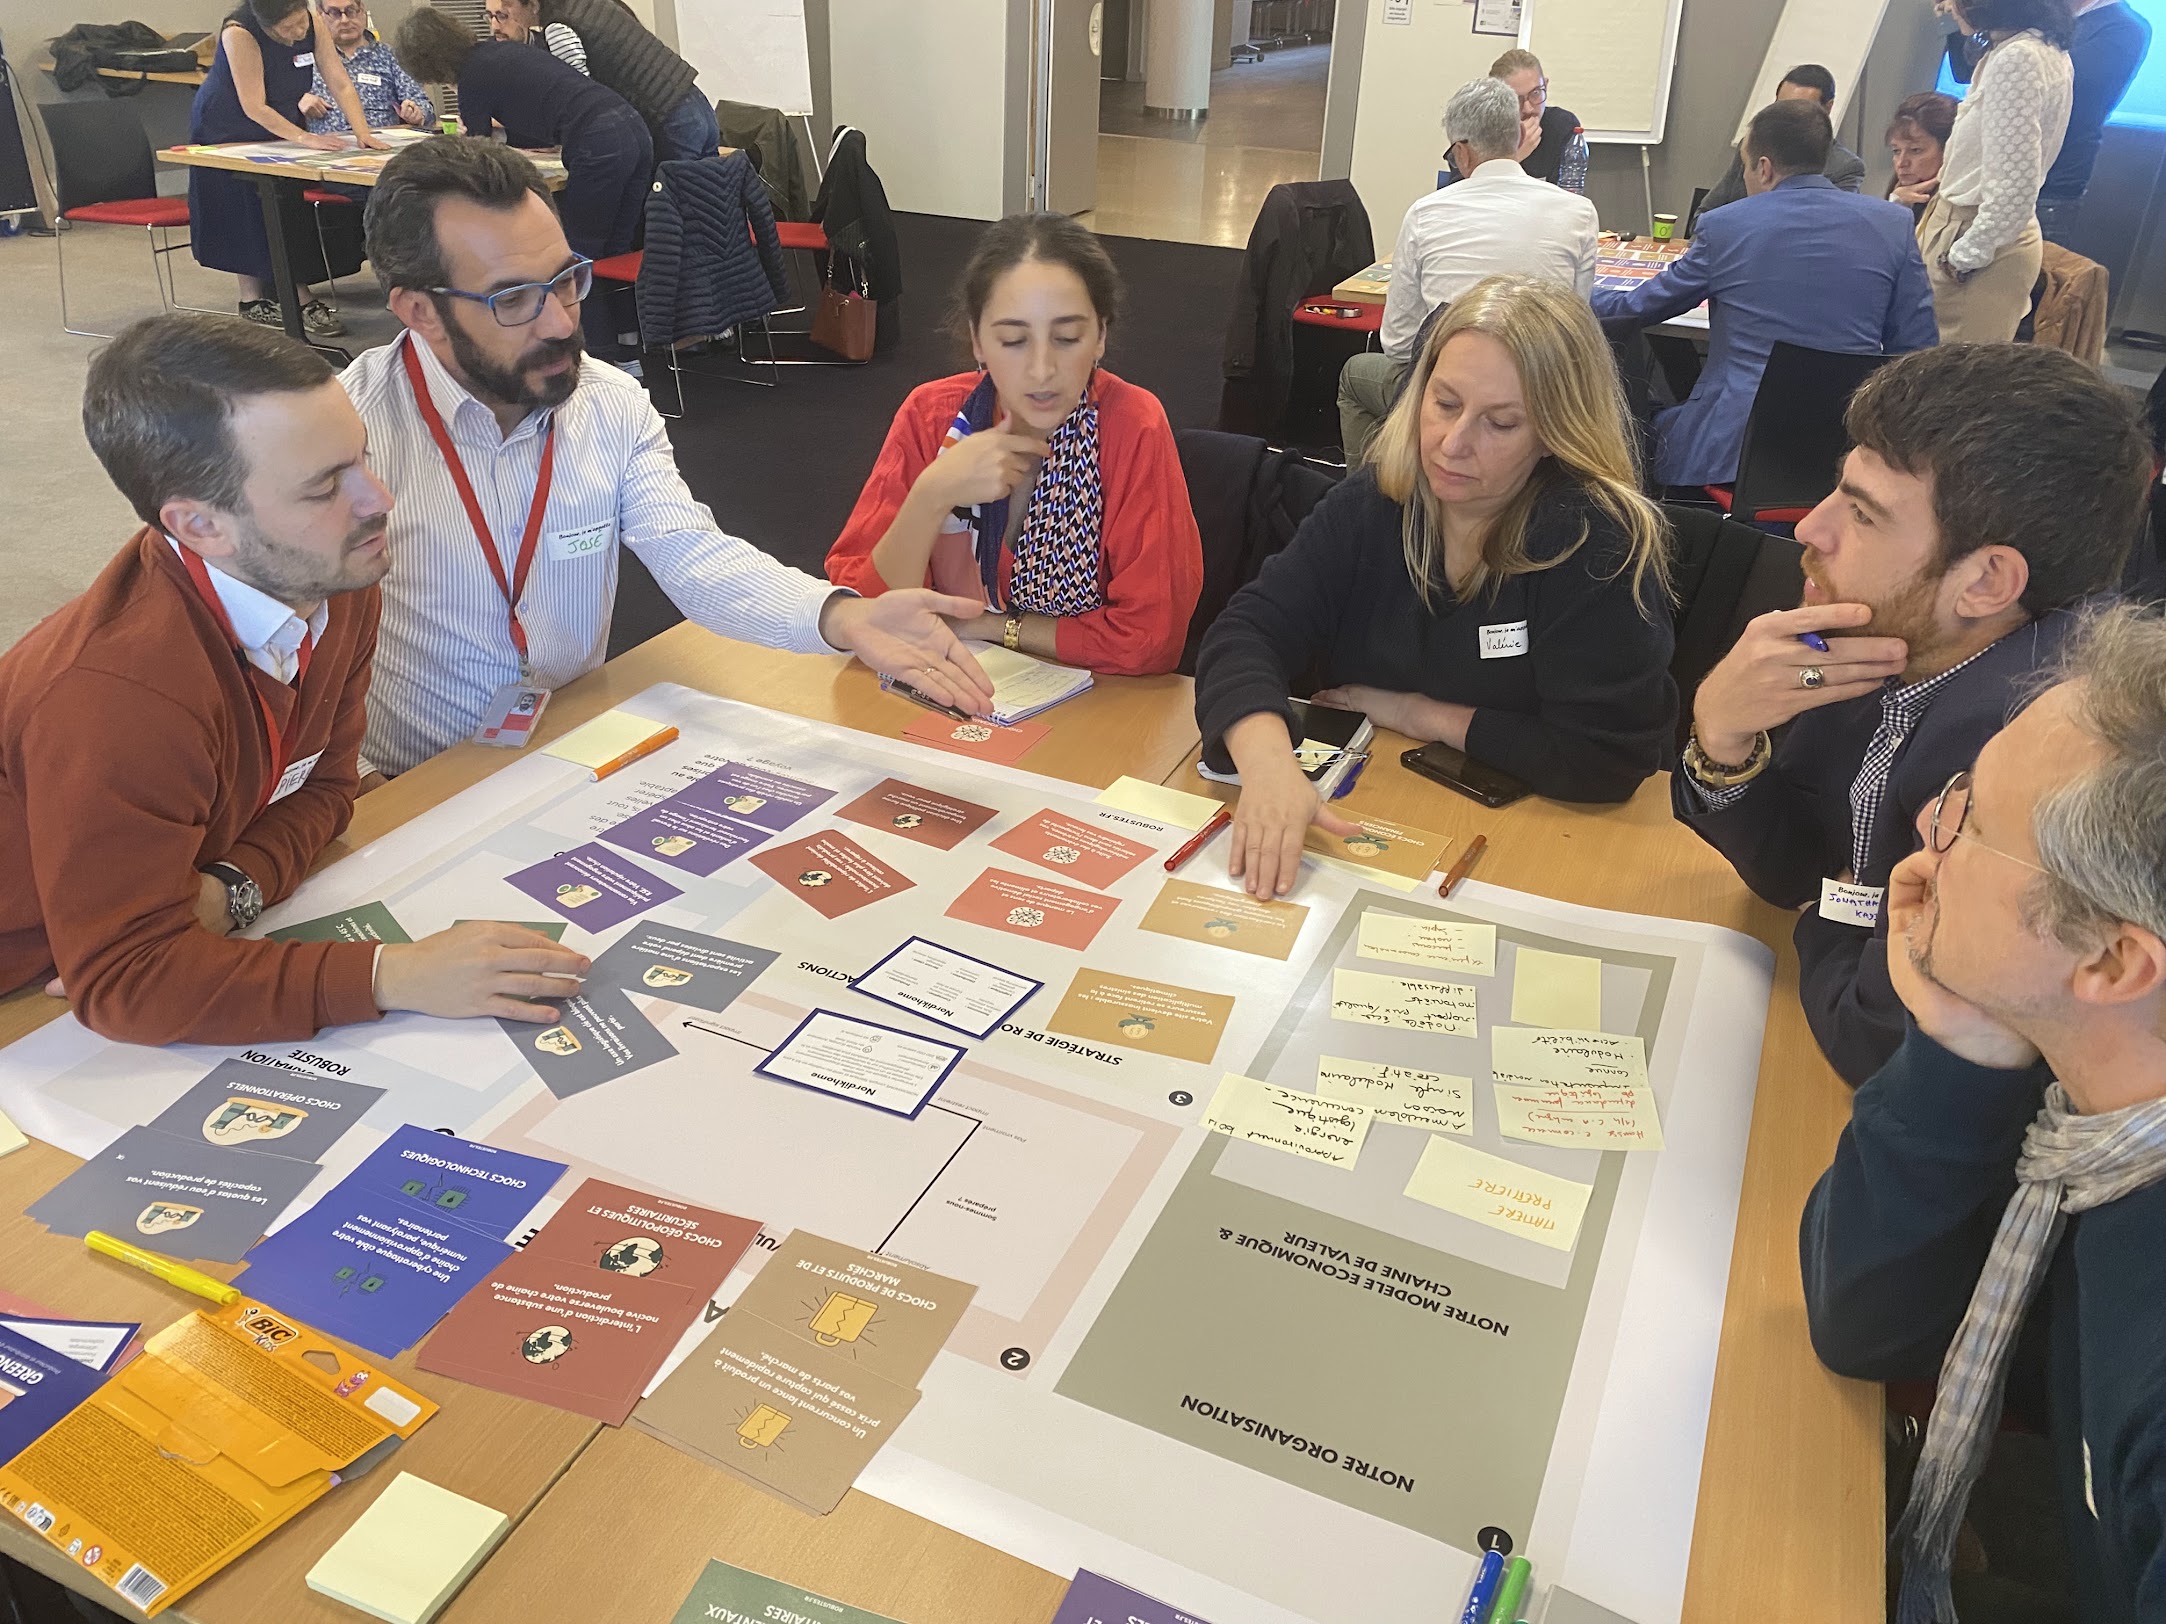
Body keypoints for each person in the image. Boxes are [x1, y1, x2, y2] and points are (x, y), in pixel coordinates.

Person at [0, 314, 593, 1046]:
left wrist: (226, 891)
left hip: (135, 925)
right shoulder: (113, 697)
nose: (378, 499)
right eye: (323, 489)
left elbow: (324, 789)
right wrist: (390, 976)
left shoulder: (331, 575)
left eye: (362, 460)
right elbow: (125, 982)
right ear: (200, 526)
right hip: (31, 984)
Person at [342, 138, 994, 776]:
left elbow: (691, 552)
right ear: (420, 312)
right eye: (513, 299)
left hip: (564, 754)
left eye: (566, 280)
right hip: (405, 782)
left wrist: (845, 616)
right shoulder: (348, 436)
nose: (562, 324)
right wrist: (361, 792)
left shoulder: (609, 404)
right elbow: (281, 651)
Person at [1800, 601, 2166, 1623]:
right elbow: (1864, 1325)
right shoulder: (2089, 1098)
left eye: (1970, 824)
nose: (1930, 829)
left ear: (2110, 960)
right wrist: (1963, 1042)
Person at [1677, 342, 2147, 1087]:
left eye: (1862, 515)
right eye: (1839, 490)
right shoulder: (1894, 639)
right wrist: (1723, 735)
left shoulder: (2032, 757)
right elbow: (1792, 866)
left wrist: (1824, 912)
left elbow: (1878, 1036)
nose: (1810, 528)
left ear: (1987, 581)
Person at [1197, 276, 1676, 898]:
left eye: (1500, 424)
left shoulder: (1595, 542)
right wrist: (1267, 768)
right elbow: (1245, 633)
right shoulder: (1376, 501)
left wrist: (1419, 714)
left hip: (1545, 849)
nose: (1453, 445)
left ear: (1556, 435)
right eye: (1444, 404)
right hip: (1380, 822)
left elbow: (1605, 759)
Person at [825, 213, 1202, 677]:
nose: (1042, 369)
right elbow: (866, 614)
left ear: (1101, 336)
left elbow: (1151, 639)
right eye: (1013, 340)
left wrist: (992, 626)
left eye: (1067, 338)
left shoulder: (1132, 426)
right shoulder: (932, 417)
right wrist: (932, 494)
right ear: (978, 340)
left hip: (1093, 702)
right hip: (946, 689)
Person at [1592, 98, 1937, 490]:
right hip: (1846, 447)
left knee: (1636, 420)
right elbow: (1915, 349)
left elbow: (1639, 307)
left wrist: (1574, 290)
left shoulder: (1726, 226)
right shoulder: (1891, 224)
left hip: (1730, 448)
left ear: (1764, 167)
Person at [1336, 77, 1598, 461]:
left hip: (1451, 390)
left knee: (1356, 374)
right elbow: (1575, 323)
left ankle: (1375, 508)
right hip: (1541, 396)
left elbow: (1398, 342)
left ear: (1462, 152)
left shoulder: (1426, 213)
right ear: (1516, 136)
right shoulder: (1579, 213)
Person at [393, 9, 651, 363]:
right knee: (615, 250)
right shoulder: (503, 52)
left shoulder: (472, 77)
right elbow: (537, 107)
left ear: (426, 61)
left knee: (577, 257)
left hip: (598, 141)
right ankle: (629, 347)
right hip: (632, 128)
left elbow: (475, 156)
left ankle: (599, 358)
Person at [188, 0, 383, 338]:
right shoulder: (240, 32)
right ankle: (254, 301)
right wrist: (304, 138)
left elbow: (340, 82)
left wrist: (362, 133)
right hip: (231, 124)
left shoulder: (311, 22)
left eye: (300, 24)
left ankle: (295, 294)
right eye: (288, 29)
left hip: (282, 118)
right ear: (266, 25)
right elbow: (252, 105)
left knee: (287, 205)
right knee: (246, 206)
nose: (298, 33)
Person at [1922, 0, 2075, 342]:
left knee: (1949, 382)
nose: (1946, 5)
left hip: (1974, 237)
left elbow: (2014, 188)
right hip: (1967, 229)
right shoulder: (2031, 46)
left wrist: (1964, 257)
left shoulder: (2017, 58)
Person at [1945, 0, 2151, 243]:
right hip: (1983, 176)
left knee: (2003, 274)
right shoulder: (2041, 12)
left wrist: (2015, 50)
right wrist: (1967, 16)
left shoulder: (2124, 28)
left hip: (2049, 186)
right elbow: (1964, 68)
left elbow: (2071, 98)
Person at [487, 0, 718, 166]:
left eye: (507, 11)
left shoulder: (558, 28)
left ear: (533, 5)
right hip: (694, 102)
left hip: (670, 119)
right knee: (711, 209)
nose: (500, 21)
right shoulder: (592, 5)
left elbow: (582, 99)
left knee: (683, 215)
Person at [1698, 64, 1868, 216]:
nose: (1785, 117)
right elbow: (1705, 215)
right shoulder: (1753, 145)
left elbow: (1825, 230)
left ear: (1828, 107)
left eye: (1800, 110)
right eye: (1781, 106)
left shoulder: (1845, 167)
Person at [298, 0, 432, 135]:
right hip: (325, 146)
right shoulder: (305, 57)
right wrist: (298, 101)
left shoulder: (391, 56)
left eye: (350, 11)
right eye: (335, 13)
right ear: (320, 15)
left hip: (381, 144)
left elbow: (423, 104)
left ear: (362, 11)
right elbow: (279, 105)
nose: (344, 20)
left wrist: (417, 112)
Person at [1488, 48, 1581, 186]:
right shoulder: (1480, 129)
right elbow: (1461, 195)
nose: (1528, 108)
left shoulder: (1562, 126)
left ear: (1546, 85)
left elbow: (1567, 195)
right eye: (1515, 99)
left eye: (1536, 93)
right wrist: (1514, 158)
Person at [1886, 90, 1958, 217]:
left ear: (1948, 149)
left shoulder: (1959, 204)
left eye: (1915, 150)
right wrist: (1896, 204)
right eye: (1896, 151)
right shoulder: (1899, 194)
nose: (1901, 163)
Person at [486, 0, 587, 72]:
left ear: (533, 6)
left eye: (503, 16)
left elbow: (582, 93)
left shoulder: (554, 36)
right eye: (490, 16)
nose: (494, 26)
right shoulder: (488, 51)